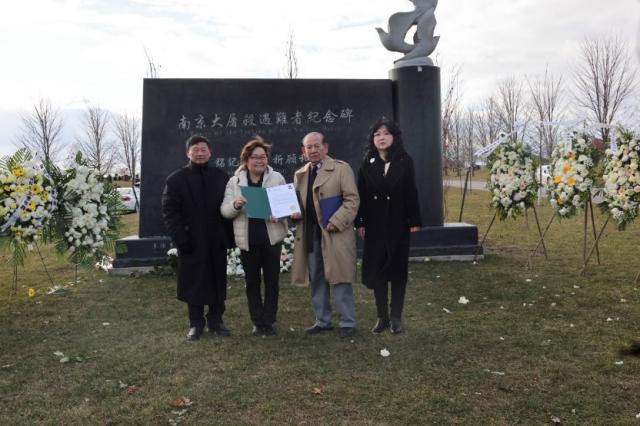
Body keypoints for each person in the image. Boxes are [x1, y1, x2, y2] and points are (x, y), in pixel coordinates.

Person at [161, 135, 234, 341]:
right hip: (191, 240)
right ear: (188, 153)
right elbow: (169, 212)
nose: (200, 153)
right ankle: (195, 323)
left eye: (203, 149)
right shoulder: (176, 179)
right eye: (195, 150)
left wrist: (229, 238)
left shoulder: (221, 177)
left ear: (210, 152)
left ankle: (216, 320)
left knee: (217, 280)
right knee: (194, 282)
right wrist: (181, 238)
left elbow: (229, 207)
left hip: (216, 240)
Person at [291, 132, 360, 338]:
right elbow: (297, 204)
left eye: (316, 146)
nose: (313, 150)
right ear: (303, 151)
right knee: (317, 278)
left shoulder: (341, 169)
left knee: (339, 276)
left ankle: (347, 322)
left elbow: (352, 200)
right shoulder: (300, 174)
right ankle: (323, 320)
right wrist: (295, 214)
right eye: (308, 147)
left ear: (325, 147)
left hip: (334, 234)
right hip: (311, 233)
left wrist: (336, 221)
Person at [356, 117, 421, 334]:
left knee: (397, 270)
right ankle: (381, 317)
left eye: (385, 133)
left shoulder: (405, 160)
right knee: (378, 270)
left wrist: (414, 219)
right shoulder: (367, 162)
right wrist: (360, 221)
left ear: (394, 137)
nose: (381, 138)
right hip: (374, 225)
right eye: (377, 134)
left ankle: (396, 318)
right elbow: (362, 195)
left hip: (398, 223)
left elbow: (411, 191)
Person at [220, 136, 288, 336]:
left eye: (263, 156)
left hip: (271, 238)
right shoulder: (235, 182)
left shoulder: (277, 178)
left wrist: (280, 213)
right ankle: (257, 321)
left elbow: (287, 206)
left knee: (272, 281)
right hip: (248, 240)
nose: (260, 160)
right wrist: (235, 205)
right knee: (252, 282)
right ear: (246, 159)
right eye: (255, 157)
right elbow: (225, 210)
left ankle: (269, 320)